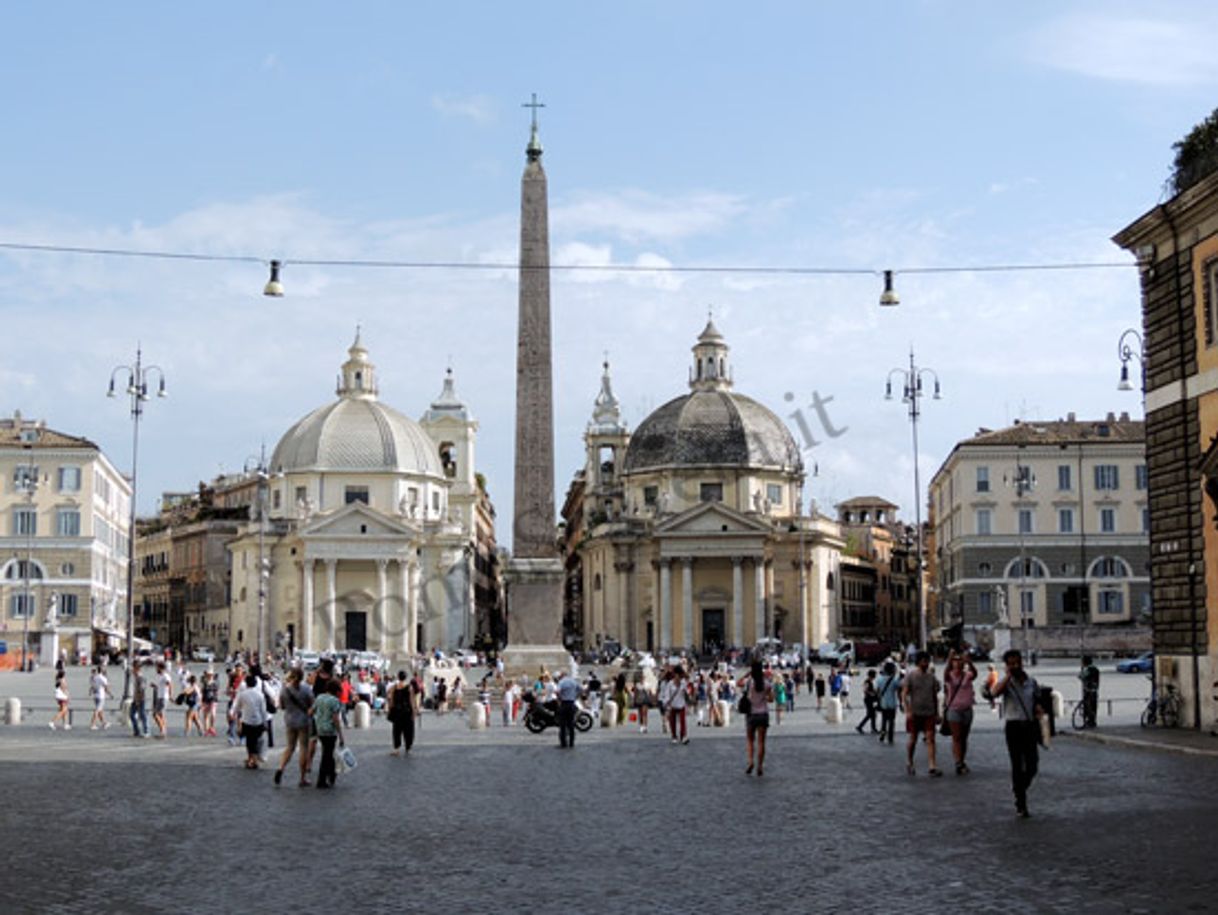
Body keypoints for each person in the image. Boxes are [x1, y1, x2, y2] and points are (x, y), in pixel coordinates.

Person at [993, 649, 1044, 817]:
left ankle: (1019, 787)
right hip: (1013, 727)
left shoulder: (1032, 682)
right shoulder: (1006, 683)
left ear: (1022, 662)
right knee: (1017, 764)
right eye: (1011, 663)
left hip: (1029, 726)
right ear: (1007, 665)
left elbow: (1037, 700)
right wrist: (1008, 677)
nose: (1015, 666)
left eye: (1017, 662)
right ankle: (1021, 803)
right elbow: (994, 693)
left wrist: (1038, 710)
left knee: (1032, 765)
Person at [901, 651, 941, 777]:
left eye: (927, 661)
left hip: (929, 712)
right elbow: (904, 694)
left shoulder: (931, 677)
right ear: (918, 662)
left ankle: (932, 766)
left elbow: (935, 696)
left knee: (931, 739)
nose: (926, 663)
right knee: (913, 739)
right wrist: (907, 710)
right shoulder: (911, 676)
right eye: (924, 661)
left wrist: (937, 713)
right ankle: (910, 761)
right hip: (915, 712)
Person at [275, 667, 314, 786]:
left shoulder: (285, 690)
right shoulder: (306, 689)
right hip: (303, 722)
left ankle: (281, 768)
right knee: (303, 748)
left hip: (290, 721)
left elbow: (281, 706)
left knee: (290, 747)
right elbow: (312, 706)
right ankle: (302, 778)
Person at [942, 651, 977, 775]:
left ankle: (962, 760)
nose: (958, 663)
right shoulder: (950, 676)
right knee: (956, 737)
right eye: (955, 661)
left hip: (967, 709)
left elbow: (975, 674)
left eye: (959, 661)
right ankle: (958, 762)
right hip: (954, 709)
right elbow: (945, 675)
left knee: (964, 737)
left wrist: (969, 661)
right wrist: (949, 659)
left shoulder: (967, 675)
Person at [737, 660, 774, 776]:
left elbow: (738, 683)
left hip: (751, 714)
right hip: (763, 714)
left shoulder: (749, 682)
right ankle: (760, 766)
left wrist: (747, 674)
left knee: (750, 741)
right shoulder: (766, 683)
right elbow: (771, 699)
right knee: (761, 742)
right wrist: (764, 698)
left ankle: (750, 762)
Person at [312, 678, 345, 789]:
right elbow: (336, 719)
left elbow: (311, 711)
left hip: (320, 729)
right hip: (330, 731)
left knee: (328, 753)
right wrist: (341, 735)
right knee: (327, 755)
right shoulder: (335, 701)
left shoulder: (319, 697)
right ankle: (322, 779)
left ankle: (331, 775)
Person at [232, 673, 269, 770]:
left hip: (246, 720)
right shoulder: (260, 695)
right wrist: (265, 722)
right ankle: (254, 760)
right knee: (256, 740)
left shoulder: (243, 694)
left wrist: (233, 714)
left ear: (246, 683)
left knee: (249, 741)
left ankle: (250, 759)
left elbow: (237, 707)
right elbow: (263, 710)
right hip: (258, 721)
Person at [387, 670, 419, 754]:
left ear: (398, 677)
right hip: (407, 711)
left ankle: (396, 749)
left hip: (397, 711)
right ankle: (408, 747)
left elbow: (390, 696)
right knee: (408, 730)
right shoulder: (409, 687)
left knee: (397, 730)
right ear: (406, 677)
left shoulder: (394, 687)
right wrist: (414, 710)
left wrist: (391, 707)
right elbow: (412, 700)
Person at [875, 661, 901, 744]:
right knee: (891, 721)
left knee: (884, 719)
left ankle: (883, 733)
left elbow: (877, 691)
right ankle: (890, 737)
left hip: (883, 703)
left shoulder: (879, 679)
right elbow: (899, 689)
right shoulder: (894, 680)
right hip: (892, 703)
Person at [555, 668, 580, 748]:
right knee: (571, 724)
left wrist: (560, 698)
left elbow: (557, 691)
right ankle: (572, 742)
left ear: (562, 675)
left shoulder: (561, 682)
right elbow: (581, 690)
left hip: (564, 704)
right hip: (572, 703)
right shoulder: (573, 681)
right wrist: (575, 697)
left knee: (563, 724)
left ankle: (563, 743)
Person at [665, 667, 689, 745]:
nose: (679, 677)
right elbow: (667, 695)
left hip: (681, 704)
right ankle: (674, 736)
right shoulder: (670, 683)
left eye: (680, 675)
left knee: (682, 721)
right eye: (678, 675)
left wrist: (685, 692)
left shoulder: (683, 683)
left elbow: (687, 695)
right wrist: (667, 703)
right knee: (673, 722)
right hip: (673, 705)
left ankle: (683, 737)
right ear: (675, 675)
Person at [1078, 654, 1100, 728]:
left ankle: (1089, 721)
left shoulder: (1088, 670)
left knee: (1088, 706)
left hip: (1088, 691)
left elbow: (1080, 676)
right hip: (1095, 690)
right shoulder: (1096, 669)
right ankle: (1093, 721)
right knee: (1094, 706)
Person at [856, 669, 879, 734]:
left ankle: (872, 728)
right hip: (868, 700)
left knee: (872, 714)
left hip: (870, 700)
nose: (875, 677)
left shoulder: (870, 681)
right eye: (874, 675)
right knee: (870, 714)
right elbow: (865, 690)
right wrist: (871, 693)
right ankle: (861, 727)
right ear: (872, 675)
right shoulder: (867, 682)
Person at [129, 662, 149, 738]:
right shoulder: (136, 677)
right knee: (131, 715)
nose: (132, 671)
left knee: (142, 715)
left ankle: (146, 731)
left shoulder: (141, 678)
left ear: (137, 669)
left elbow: (142, 690)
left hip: (141, 699)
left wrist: (138, 700)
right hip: (135, 699)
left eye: (133, 669)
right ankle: (136, 731)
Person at [153, 662, 173, 738]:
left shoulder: (165, 676)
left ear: (160, 668)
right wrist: (155, 685)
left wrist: (170, 695)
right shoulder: (159, 676)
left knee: (155, 714)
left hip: (164, 697)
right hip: (159, 697)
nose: (156, 669)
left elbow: (169, 684)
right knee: (161, 715)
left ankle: (163, 731)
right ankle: (163, 731)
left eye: (157, 667)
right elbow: (160, 685)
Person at [201, 671, 219, 736]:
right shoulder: (204, 683)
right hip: (205, 700)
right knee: (206, 715)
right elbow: (202, 692)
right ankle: (206, 730)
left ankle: (212, 728)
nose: (210, 676)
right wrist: (201, 702)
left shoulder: (215, 683)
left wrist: (216, 699)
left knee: (213, 714)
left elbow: (217, 692)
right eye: (209, 675)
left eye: (211, 675)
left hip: (213, 700)